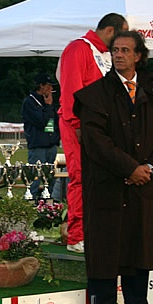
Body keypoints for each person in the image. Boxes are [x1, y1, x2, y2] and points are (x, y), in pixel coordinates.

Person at [74, 30, 153, 304]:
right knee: (105, 249)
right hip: (107, 185)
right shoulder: (94, 95)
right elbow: (95, 141)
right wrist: (129, 168)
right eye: (115, 50)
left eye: (125, 51)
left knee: (139, 247)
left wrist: (150, 168)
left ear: (139, 56)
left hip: (144, 186)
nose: (118, 55)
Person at [56, 13, 128, 253]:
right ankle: (77, 236)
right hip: (79, 124)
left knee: (102, 180)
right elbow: (71, 91)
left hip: (101, 127)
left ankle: (98, 231)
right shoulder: (78, 49)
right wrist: (77, 124)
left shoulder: (106, 55)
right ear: (109, 30)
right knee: (81, 177)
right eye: (120, 36)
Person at [21, 73, 60, 200]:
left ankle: (49, 201)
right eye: (48, 86)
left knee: (50, 176)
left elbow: (54, 120)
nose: (51, 90)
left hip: (51, 144)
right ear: (41, 86)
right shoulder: (30, 102)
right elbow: (41, 122)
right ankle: (32, 199)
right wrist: (48, 106)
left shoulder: (48, 101)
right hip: (38, 145)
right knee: (35, 176)